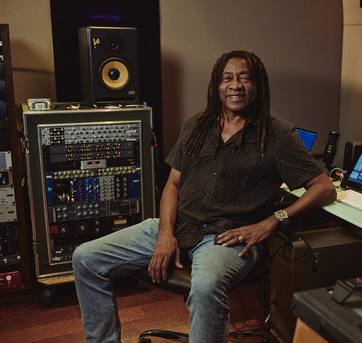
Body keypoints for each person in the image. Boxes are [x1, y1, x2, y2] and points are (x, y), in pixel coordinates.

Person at [72, 50, 337, 343]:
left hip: (227, 236)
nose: (235, 85)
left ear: (259, 86)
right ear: (217, 86)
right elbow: (172, 184)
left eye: (244, 78)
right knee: (85, 258)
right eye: (227, 78)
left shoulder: (277, 135)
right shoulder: (196, 124)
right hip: (181, 225)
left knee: (206, 286)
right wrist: (165, 234)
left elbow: (325, 188)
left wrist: (272, 222)